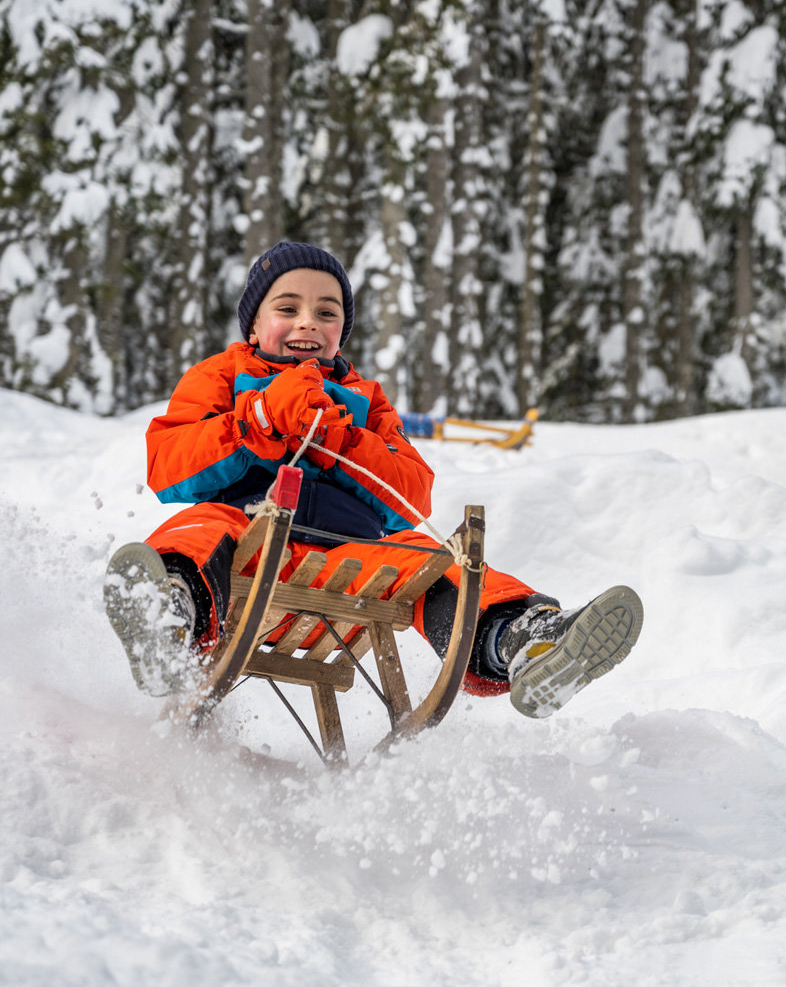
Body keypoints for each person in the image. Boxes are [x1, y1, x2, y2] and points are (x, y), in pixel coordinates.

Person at [104, 241, 643, 719]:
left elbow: (413, 494)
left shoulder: (364, 399)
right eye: (287, 308)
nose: (307, 322)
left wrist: (344, 441)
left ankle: (525, 642)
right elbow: (169, 466)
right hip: (244, 550)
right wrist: (259, 418)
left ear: (342, 331)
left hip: (351, 562)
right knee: (200, 523)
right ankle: (166, 619)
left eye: (326, 312)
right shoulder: (220, 376)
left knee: (433, 558)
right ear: (253, 324)